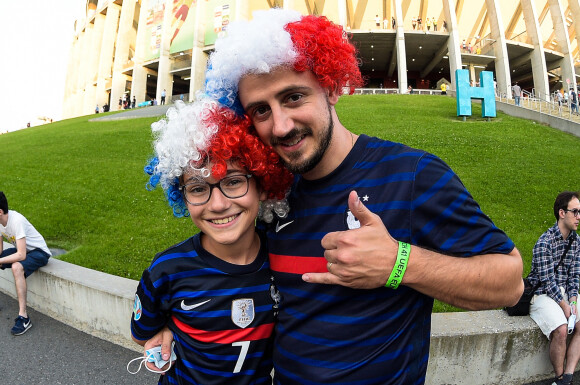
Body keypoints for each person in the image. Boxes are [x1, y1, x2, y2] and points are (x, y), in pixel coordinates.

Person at [162, 9, 523, 384]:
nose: (281, 125)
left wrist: (399, 264)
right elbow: (227, 264)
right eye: (260, 110)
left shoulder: (411, 174)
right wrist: (169, 321)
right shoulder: (272, 193)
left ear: (332, 87)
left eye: (294, 97)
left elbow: (509, 282)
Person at [131, 99, 293, 384]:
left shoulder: (284, 258)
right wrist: (166, 332)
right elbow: (143, 332)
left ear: (262, 185)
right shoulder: (167, 270)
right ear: (182, 196)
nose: (217, 205)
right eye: (197, 188)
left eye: (233, 182)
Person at [528, 191, 580, 385]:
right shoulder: (544, 242)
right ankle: (558, 379)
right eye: (575, 212)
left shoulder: (577, 242)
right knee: (561, 328)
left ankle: (568, 376)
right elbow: (547, 281)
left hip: (565, 292)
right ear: (561, 213)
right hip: (542, 294)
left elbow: (575, 276)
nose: (578, 217)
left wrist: (573, 301)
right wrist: (565, 306)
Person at [0, 191, 51, 335]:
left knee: (17, 267)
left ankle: (24, 317)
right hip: (23, 251)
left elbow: (21, 255)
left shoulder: (17, 221)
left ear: (0, 212)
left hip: (39, 252)